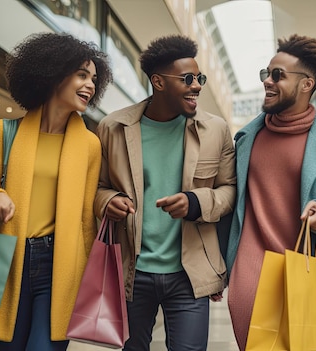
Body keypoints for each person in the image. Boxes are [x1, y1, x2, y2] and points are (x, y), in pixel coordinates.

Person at [0, 32, 112, 350]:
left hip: (60, 264)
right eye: (82, 75)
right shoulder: (3, 132)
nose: (90, 85)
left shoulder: (89, 145)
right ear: (54, 74)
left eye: (94, 79)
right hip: (8, 261)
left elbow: (87, 221)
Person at [94, 34, 236, 351]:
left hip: (190, 274)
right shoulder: (112, 128)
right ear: (158, 82)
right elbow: (96, 189)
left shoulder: (216, 129)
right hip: (132, 271)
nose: (197, 85)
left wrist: (196, 201)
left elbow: (229, 191)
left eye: (200, 78)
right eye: (187, 79)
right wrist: (109, 201)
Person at [225, 34, 316, 350]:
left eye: (278, 75)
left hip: (308, 268)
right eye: (266, 74)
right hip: (250, 273)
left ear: (306, 85)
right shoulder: (246, 139)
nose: (267, 82)